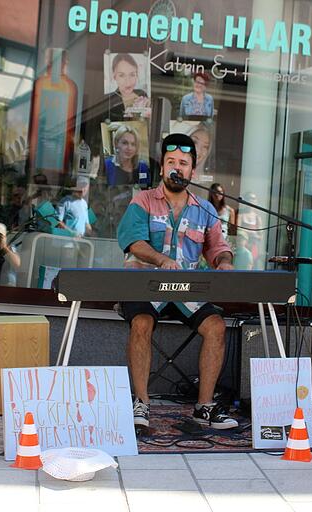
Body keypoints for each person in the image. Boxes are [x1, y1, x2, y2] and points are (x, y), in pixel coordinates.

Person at [116, 133, 237, 430]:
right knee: (141, 322)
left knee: (217, 327)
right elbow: (132, 241)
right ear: (162, 168)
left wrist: (224, 262)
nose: (177, 167)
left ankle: (204, 407)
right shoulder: (142, 201)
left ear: (192, 171)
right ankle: (141, 404)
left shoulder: (205, 210)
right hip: (145, 287)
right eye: (171, 161)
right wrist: (159, 259)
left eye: (183, 163)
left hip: (186, 291)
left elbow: (217, 248)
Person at [107, 53, 149, 119]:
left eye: (132, 75)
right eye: (122, 75)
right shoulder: (108, 100)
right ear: (114, 76)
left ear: (137, 74)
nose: (128, 81)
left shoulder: (141, 93)